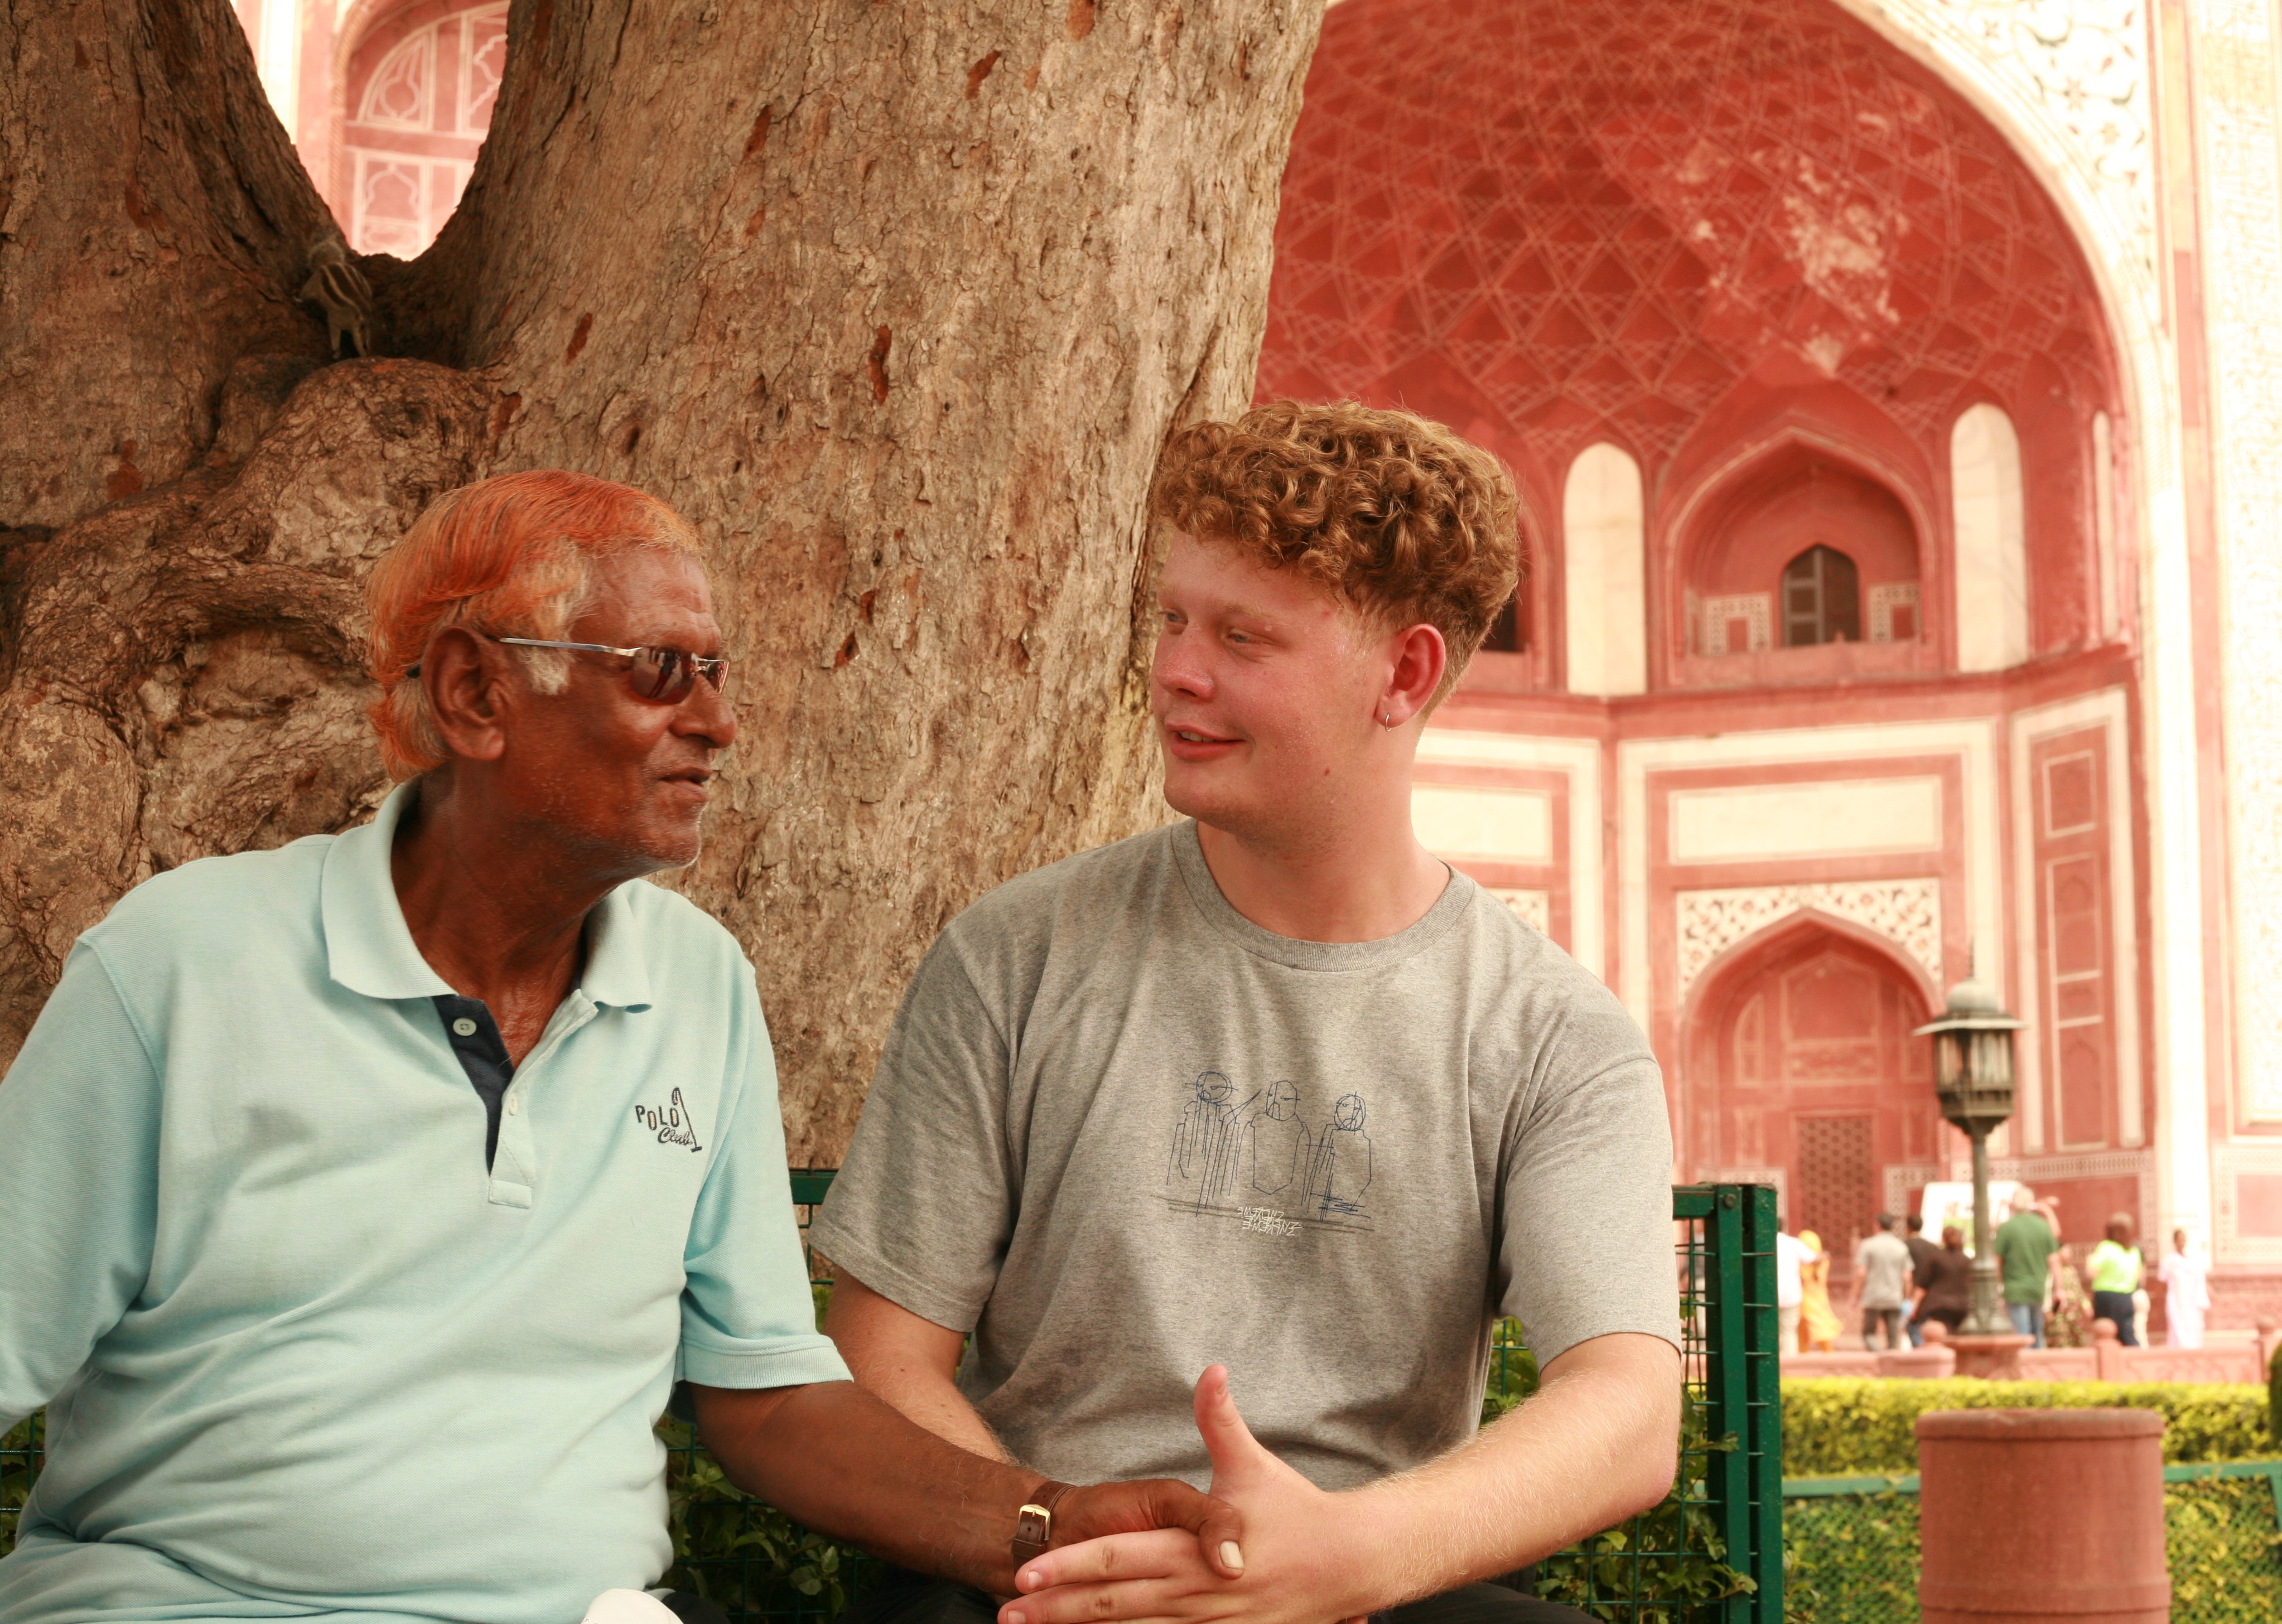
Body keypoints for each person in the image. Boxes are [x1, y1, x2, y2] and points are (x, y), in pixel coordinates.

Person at [0, 473, 1242, 1624]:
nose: (720, 721)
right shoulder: (182, 967)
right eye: (661, 670)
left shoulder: (697, 987)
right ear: (476, 693)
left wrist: (1049, 1522)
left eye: (716, 670)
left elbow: (768, 1397)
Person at [809, 402, 1685, 1624]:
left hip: (1376, 1591)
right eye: (1172, 617)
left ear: (1408, 671)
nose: (1175, 667)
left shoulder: (1551, 1036)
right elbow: (880, 1357)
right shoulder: (1016, 956)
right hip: (1044, 1580)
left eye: (1243, 635)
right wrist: (1067, 1538)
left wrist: (1341, 1559)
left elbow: (1630, 1411)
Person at [1992, 1186, 2064, 1347]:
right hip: (2038, 1288)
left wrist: (1999, 1284)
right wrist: (2059, 1289)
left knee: (2021, 1334)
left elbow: (1997, 1261)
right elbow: (2054, 1261)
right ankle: (2038, 1368)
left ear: (2014, 1204)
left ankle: (2024, 1371)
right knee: (2037, 1332)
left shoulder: (2007, 1228)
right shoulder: (2043, 1227)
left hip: (2015, 1289)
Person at [1851, 1214, 1914, 1352]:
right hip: (1894, 1298)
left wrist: (1855, 1296)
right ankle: (1892, 1363)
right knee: (1893, 1337)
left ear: (1877, 1226)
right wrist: (1907, 1299)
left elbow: (1861, 1274)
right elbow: (1907, 1277)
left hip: (1873, 1297)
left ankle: (1878, 1355)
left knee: (1868, 1333)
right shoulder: (1901, 1247)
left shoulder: (1868, 1245)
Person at [2086, 1214, 2146, 1347]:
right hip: (2126, 1298)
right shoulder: (2134, 1251)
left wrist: (2089, 1260)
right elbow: (2139, 1277)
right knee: (2127, 1335)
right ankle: (2136, 1363)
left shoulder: (2106, 1248)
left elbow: (2091, 1273)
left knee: (2104, 1334)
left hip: (2106, 1297)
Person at [1911, 1225, 1974, 1336]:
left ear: (1943, 1239)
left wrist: (1915, 1306)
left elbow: (1923, 1286)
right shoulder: (1967, 1261)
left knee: (1924, 1333)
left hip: (1938, 1306)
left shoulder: (1935, 1258)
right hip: (1962, 1306)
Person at [2160, 1228, 2211, 1348]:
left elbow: (2200, 1279)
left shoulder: (2193, 1260)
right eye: (2179, 1239)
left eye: (2183, 1239)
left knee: (2194, 1326)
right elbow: (2162, 1282)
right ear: (2174, 1241)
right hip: (2176, 1299)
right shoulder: (2169, 1261)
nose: (2181, 1241)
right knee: (2177, 1327)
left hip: (2192, 1300)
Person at [1777, 1221, 1819, 1359]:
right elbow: (1813, 1259)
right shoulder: (1793, 1243)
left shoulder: (1759, 1242)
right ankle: (1789, 1362)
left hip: (1765, 1296)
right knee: (1789, 1330)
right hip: (1790, 1294)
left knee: (1766, 1330)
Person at [1797, 1229, 1842, 1353]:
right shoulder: (1823, 1259)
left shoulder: (1804, 1262)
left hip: (1806, 1298)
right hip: (1819, 1297)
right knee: (1814, 1327)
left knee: (1812, 1327)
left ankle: (1811, 1353)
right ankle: (1822, 1353)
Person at [1901, 1213, 1939, 1346]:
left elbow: (1905, 1273)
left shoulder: (1904, 1246)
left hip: (1910, 1291)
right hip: (1929, 1292)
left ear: (1909, 1227)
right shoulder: (1932, 1247)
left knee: (1913, 1327)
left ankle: (1920, 1351)